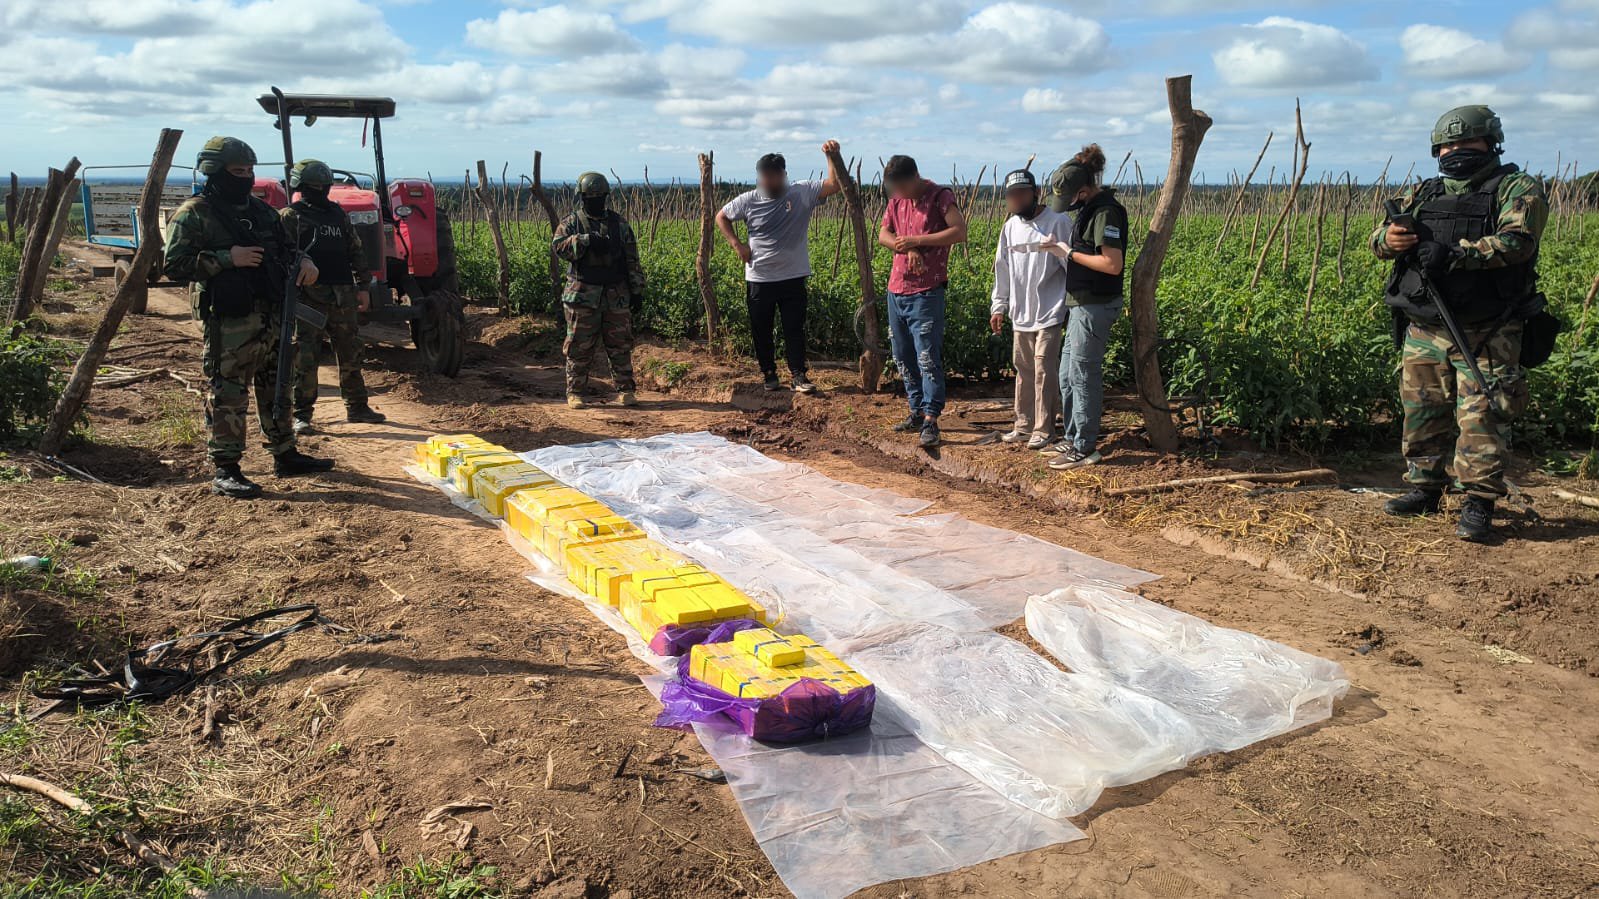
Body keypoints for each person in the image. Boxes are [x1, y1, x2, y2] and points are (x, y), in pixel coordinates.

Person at [1371, 105, 1547, 543]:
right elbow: (1378, 239)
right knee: (1422, 412)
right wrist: (1389, 239)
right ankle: (1425, 488)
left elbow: (1518, 242)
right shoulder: (1426, 191)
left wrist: (1457, 254)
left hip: (1487, 328)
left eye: (1466, 142)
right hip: (1425, 325)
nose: (1456, 151)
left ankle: (1478, 502)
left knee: (1483, 417)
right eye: (1448, 145)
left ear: (1490, 143)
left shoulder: (1517, 187)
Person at [162, 136, 334, 499]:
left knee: (277, 384)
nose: (245, 177)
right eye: (237, 171)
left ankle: (284, 453)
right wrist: (228, 258)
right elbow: (174, 265)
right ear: (214, 171)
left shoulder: (262, 212)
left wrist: (305, 262)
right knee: (228, 391)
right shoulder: (194, 213)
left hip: (272, 315)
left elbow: (287, 249)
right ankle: (226, 469)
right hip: (230, 321)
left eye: (249, 171)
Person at [715, 141, 844, 393]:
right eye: (764, 178)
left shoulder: (801, 192)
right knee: (761, 329)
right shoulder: (748, 200)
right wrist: (737, 245)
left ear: (783, 175)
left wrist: (831, 156)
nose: (768, 182)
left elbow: (834, 185)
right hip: (760, 277)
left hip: (793, 276)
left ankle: (798, 375)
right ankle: (769, 374)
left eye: (773, 177)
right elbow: (722, 216)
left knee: (794, 328)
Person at [279, 159, 384, 434]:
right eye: (314, 186)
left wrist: (364, 286)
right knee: (305, 356)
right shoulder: (290, 217)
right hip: (307, 298)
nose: (320, 190)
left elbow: (355, 250)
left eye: (323, 185)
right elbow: (280, 255)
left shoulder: (337, 214)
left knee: (351, 352)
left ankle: (357, 407)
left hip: (343, 295)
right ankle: (302, 414)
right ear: (301, 186)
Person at [1039, 144, 1127, 470]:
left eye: (1070, 198)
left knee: (1082, 375)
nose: (1067, 206)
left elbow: (1112, 264)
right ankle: (1072, 436)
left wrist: (1068, 253)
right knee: (1067, 375)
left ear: (1084, 191)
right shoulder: (1089, 209)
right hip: (1080, 304)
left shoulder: (1106, 213)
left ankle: (1085, 447)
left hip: (1095, 305)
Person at [878, 155, 968, 448]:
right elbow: (883, 234)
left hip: (926, 290)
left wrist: (918, 241)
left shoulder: (940, 197)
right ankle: (916, 410)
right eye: (894, 188)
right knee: (902, 355)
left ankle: (931, 418)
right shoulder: (897, 200)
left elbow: (959, 231)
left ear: (915, 177)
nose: (898, 193)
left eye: (902, 187)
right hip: (897, 289)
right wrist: (906, 248)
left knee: (927, 357)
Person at [989, 169, 1071, 450]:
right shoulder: (1010, 227)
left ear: (1036, 193)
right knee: (1023, 369)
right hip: (1021, 312)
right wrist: (999, 306)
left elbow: (1072, 265)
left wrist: (1071, 305)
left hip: (1051, 309)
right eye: (1012, 195)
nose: (1016, 199)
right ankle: (1023, 425)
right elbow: (1002, 269)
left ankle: (1044, 428)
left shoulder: (1058, 222)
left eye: (1022, 194)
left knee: (1043, 369)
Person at [552, 171, 646, 409]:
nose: (595, 201)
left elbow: (631, 259)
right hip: (583, 294)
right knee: (579, 347)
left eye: (599, 197)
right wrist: (584, 240)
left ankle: (626, 390)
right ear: (582, 198)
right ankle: (575, 392)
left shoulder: (619, 224)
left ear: (605, 197)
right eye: (590, 197)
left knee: (620, 345)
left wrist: (636, 290)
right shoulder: (571, 222)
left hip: (615, 294)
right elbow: (558, 248)